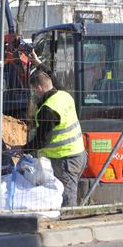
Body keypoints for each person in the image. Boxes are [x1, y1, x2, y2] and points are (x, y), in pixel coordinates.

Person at [25, 66, 87, 207]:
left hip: (65, 159)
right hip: (79, 154)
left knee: (66, 197)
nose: (34, 93)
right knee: (66, 191)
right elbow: (54, 78)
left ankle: (68, 224)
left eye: (34, 89)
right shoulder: (64, 95)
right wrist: (38, 63)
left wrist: (22, 149)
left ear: (39, 88)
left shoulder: (48, 109)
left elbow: (41, 141)